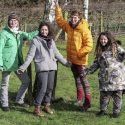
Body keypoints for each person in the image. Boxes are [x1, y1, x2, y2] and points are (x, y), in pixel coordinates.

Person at [17, 22, 71, 117]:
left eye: (46, 30)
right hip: (42, 68)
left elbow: (57, 54)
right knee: (42, 88)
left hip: (52, 67)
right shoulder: (35, 40)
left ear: (48, 30)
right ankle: (37, 107)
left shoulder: (51, 41)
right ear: (39, 30)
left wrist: (67, 64)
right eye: (42, 29)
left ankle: (47, 105)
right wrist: (23, 67)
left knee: (50, 88)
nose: (44, 31)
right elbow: (30, 55)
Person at [54, 0, 93, 110]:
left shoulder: (84, 29)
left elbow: (89, 45)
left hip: (80, 60)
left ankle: (88, 102)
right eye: (72, 17)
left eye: (75, 17)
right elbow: (60, 21)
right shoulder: (69, 26)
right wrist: (57, 7)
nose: (73, 18)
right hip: (72, 60)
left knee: (84, 81)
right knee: (77, 79)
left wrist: (79, 54)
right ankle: (79, 99)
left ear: (79, 18)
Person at [0, 12, 38, 111]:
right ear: (9, 22)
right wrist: (0, 64)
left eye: (15, 20)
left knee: (26, 81)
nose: (13, 22)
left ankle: (19, 100)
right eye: (11, 20)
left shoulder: (20, 34)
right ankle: (4, 104)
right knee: (5, 84)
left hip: (18, 63)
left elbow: (30, 36)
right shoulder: (4, 33)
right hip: (6, 64)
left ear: (18, 22)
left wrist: (41, 29)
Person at [84, 31, 125, 118]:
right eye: (101, 39)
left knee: (117, 96)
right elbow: (96, 64)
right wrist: (87, 71)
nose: (103, 41)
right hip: (105, 78)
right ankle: (103, 110)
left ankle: (116, 112)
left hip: (117, 78)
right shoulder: (100, 51)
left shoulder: (115, 47)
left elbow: (123, 54)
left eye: (105, 39)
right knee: (104, 95)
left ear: (109, 39)